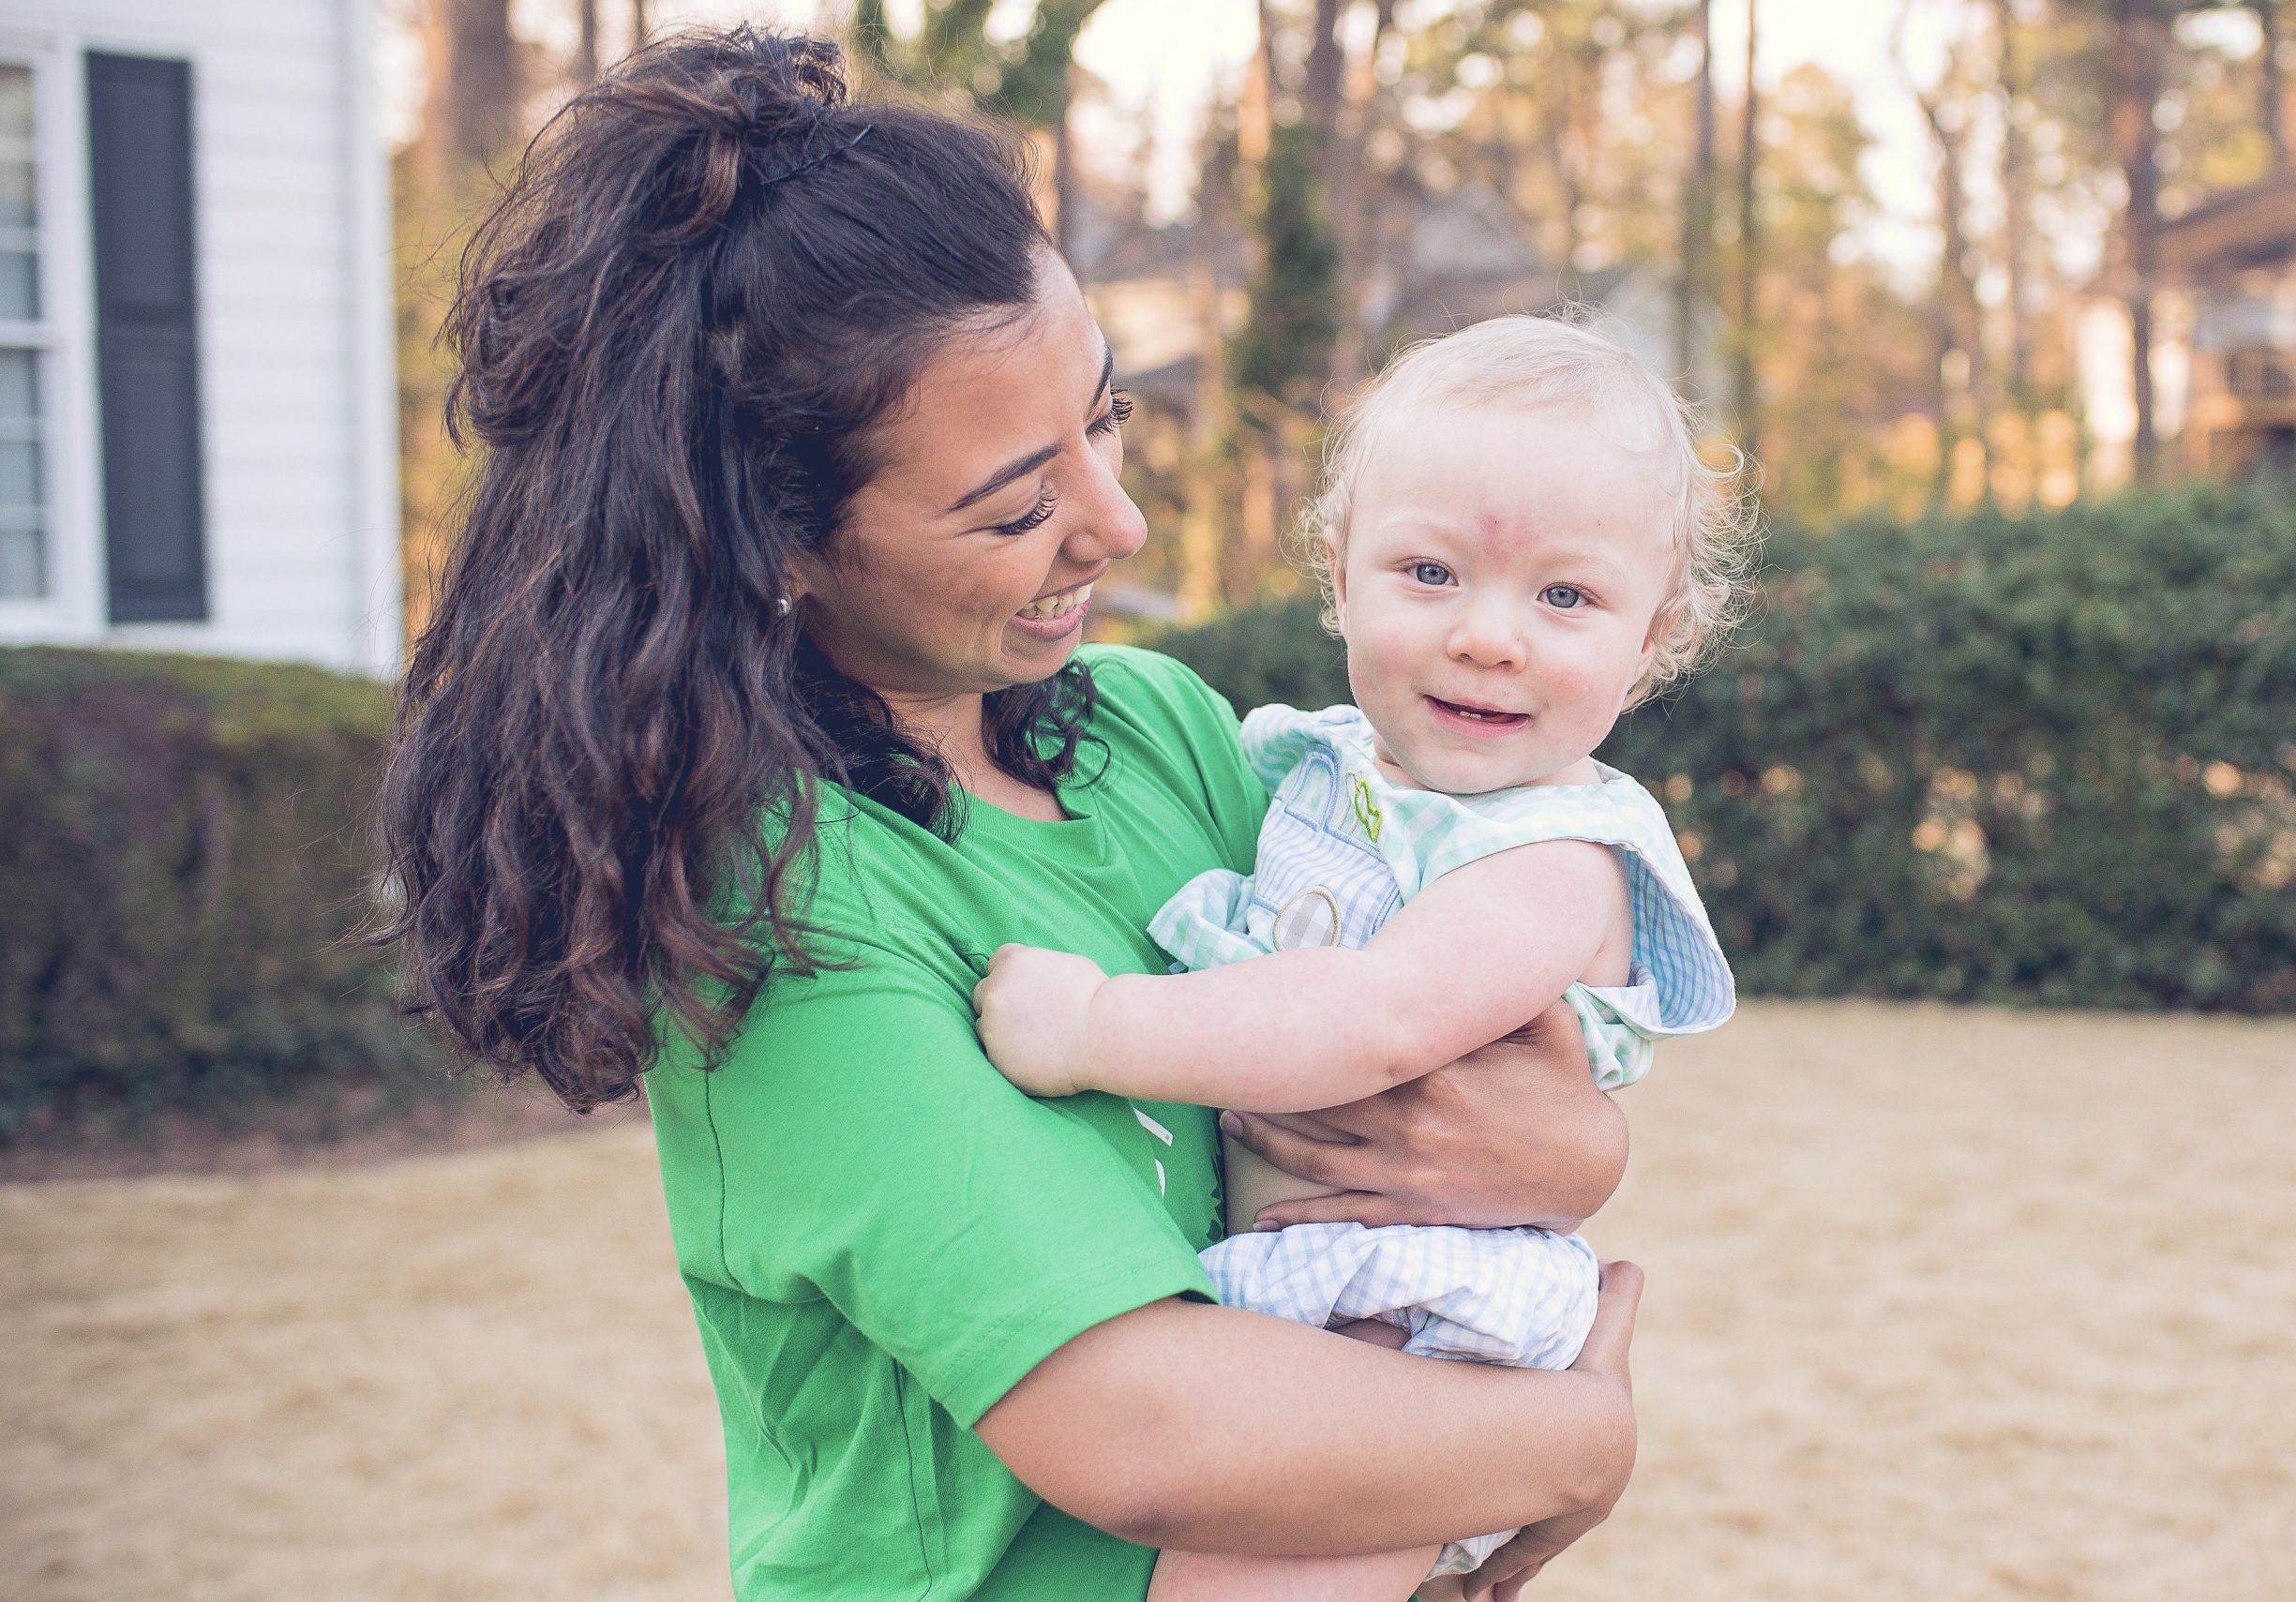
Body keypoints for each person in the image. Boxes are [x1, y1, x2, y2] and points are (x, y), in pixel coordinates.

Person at [378, 27, 1644, 1602]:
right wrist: (1576, 1436)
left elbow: (1446, 1045)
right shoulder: (776, 906)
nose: (1114, 522)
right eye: (1015, 502)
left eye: (1103, 421)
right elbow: (1144, 1434)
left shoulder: (1160, 733)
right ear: (779, 541)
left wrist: (1572, 1148)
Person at [974, 313, 1751, 1602]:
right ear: (1339, 574)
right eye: (1431, 573)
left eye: (1565, 596)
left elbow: (1380, 1019)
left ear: (1653, 637)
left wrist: (1097, 1025)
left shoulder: (1559, 850)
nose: (1490, 635)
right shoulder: (1311, 765)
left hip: (1421, 1319)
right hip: (1313, 1290)